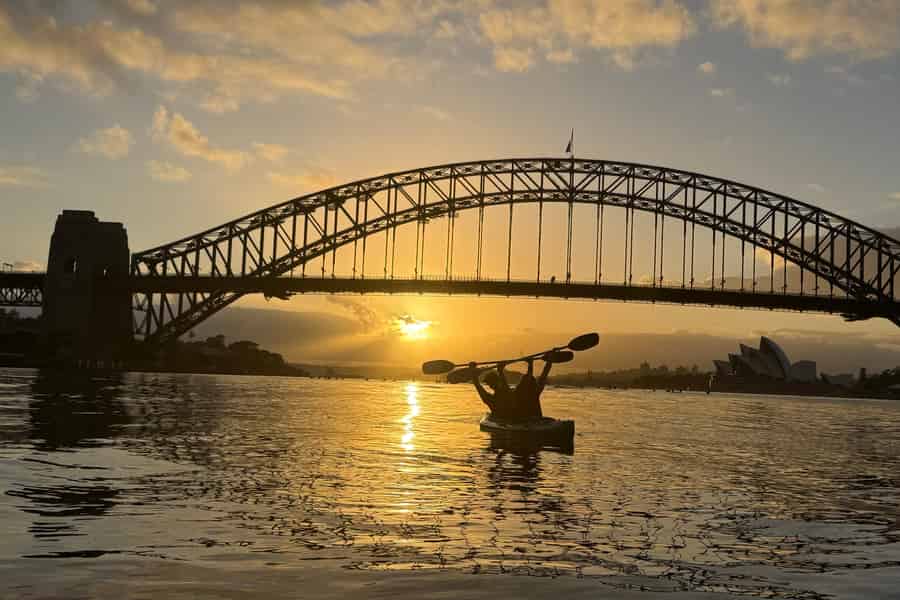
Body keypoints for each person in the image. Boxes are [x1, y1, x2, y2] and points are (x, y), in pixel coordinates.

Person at [471, 356, 554, 422]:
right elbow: (543, 375)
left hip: (522, 421)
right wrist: (547, 362)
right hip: (528, 420)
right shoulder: (533, 391)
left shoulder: (515, 393)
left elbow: (480, 386)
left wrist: (473, 372)